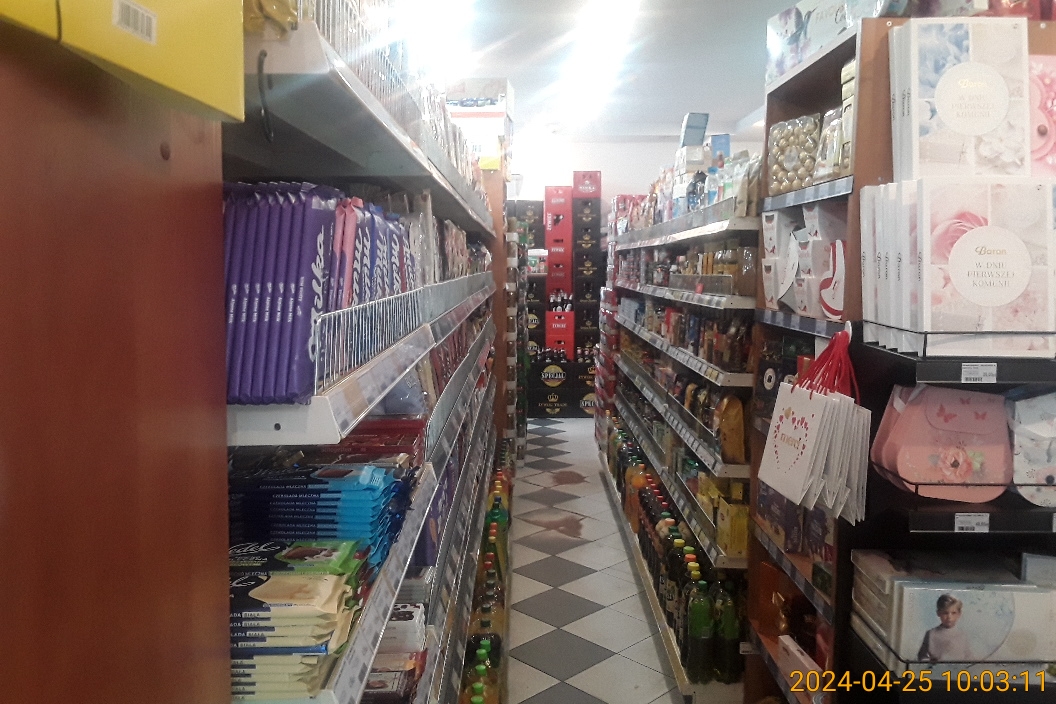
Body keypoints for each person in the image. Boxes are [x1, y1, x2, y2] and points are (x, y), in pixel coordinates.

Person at [917, 594, 973, 662]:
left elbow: (968, 657)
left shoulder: (962, 635)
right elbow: (922, 657)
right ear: (938, 613)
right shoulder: (931, 634)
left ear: (959, 614)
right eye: (945, 613)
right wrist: (931, 662)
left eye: (953, 613)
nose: (949, 617)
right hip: (937, 668)